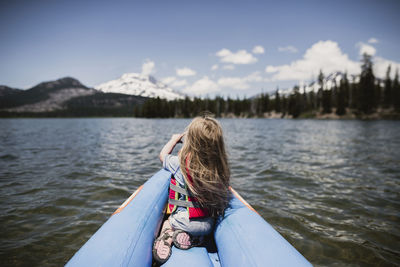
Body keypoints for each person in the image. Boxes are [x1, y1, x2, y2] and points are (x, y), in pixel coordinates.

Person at [152, 116, 230, 264]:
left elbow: (162, 156)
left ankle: (167, 236)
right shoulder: (219, 171)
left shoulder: (180, 164)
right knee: (199, 226)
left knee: (167, 222)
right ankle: (195, 239)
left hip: (183, 221)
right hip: (207, 226)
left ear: (191, 142)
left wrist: (174, 140)